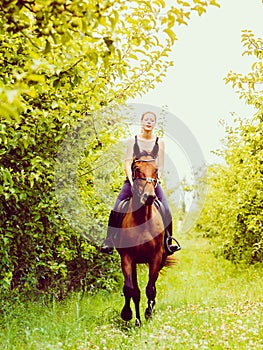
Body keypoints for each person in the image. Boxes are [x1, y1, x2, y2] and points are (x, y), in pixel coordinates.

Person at [100, 111, 181, 255]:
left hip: (152, 182)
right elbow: (127, 162)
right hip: (134, 181)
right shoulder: (133, 141)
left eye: (152, 120)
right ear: (142, 122)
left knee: (166, 209)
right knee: (117, 207)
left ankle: (168, 241)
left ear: (154, 124)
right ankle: (109, 240)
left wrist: (156, 180)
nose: (149, 122)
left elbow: (160, 166)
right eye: (146, 119)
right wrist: (131, 181)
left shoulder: (159, 142)